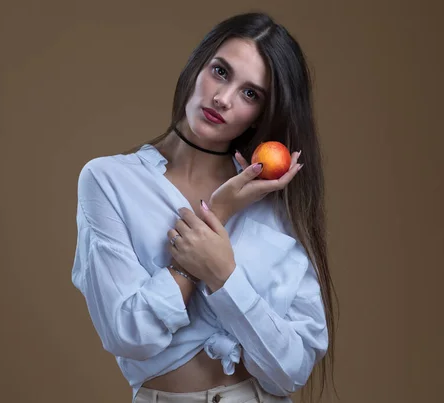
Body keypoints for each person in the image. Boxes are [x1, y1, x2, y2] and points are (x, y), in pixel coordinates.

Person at [71, 12, 336, 403]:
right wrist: (218, 216)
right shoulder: (110, 181)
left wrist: (223, 275)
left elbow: (291, 370)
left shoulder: (273, 203)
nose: (223, 99)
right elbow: (129, 334)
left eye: (251, 94)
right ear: (198, 65)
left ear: (261, 114)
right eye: (220, 71)